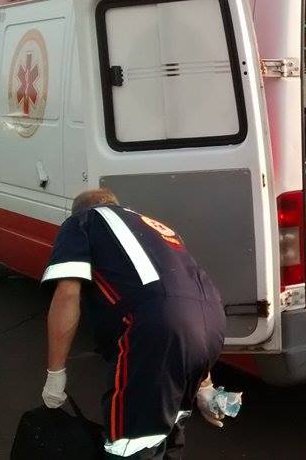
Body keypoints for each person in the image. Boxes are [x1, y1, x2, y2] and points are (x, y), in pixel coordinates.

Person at [41, 189, 230, 459]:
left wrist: (55, 374)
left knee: (131, 442)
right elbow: (183, 300)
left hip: (154, 328)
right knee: (170, 427)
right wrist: (205, 385)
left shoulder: (82, 221)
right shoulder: (158, 227)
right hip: (211, 321)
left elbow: (67, 295)